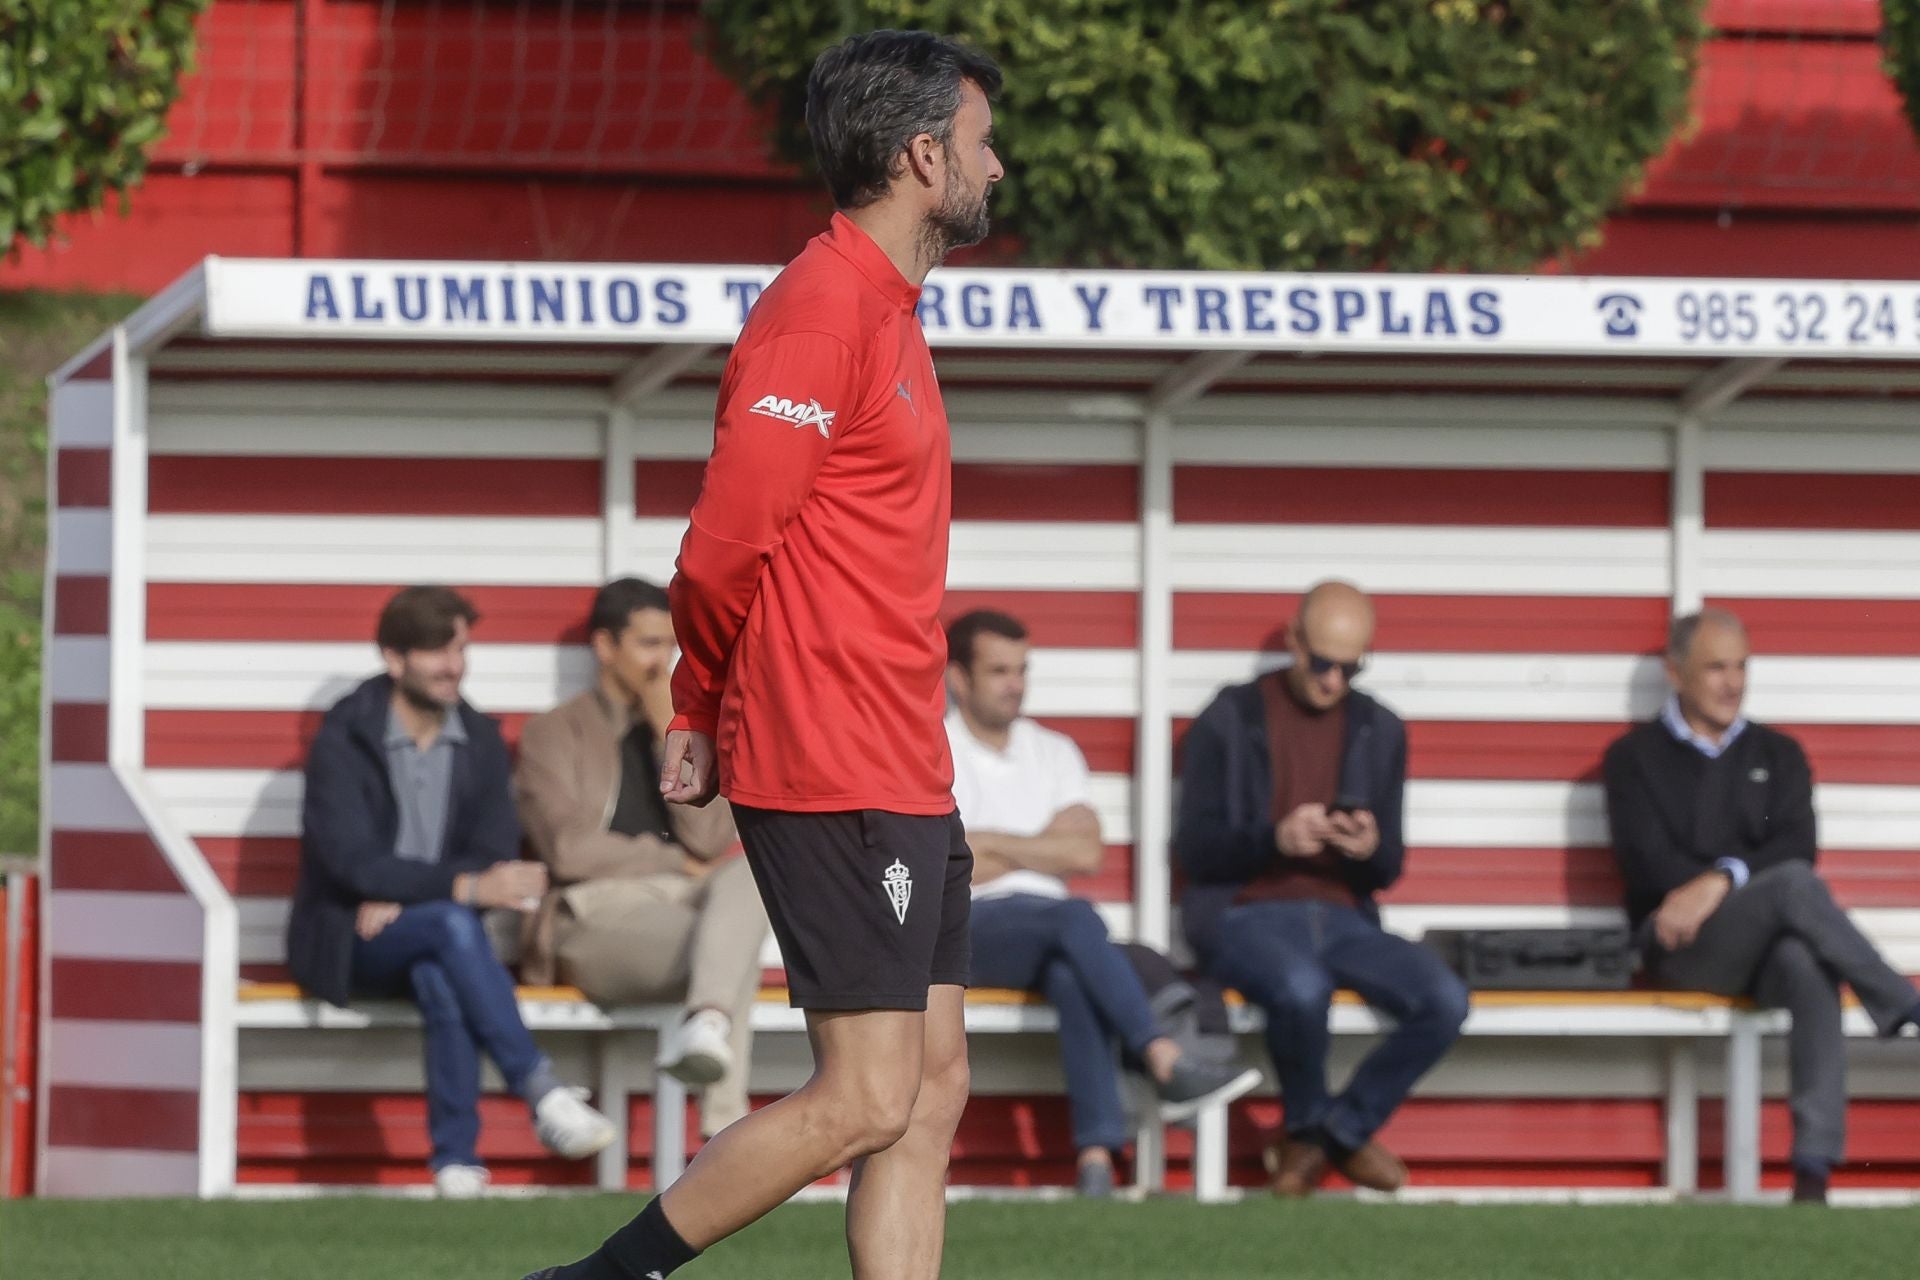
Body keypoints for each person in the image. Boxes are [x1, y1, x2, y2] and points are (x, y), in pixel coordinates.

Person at [524, 30, 1003, 1280]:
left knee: (934, 1086)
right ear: (919, 155)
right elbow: (723, 545)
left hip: (906, 759)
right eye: (979, 141)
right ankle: (600, 1277)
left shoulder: (889, 306)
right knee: (864, 1094)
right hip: (831, 755)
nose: (995, 165)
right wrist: (697, 699)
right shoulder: (820, 310)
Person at [286, 585, 615, 1198]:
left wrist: (412, 893)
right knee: (451, 925)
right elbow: (349, 860)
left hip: (424, 934)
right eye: (438, 651)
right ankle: (539, 1089)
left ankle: (457, 1165)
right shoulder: (344, 738)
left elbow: (492, 848)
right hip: (348, 941)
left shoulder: (481, 740)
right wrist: (455, 888)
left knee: (442, 965)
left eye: (461, 648)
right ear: (394, 658)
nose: (454, 666)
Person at [1604, 607, 1920, 1204]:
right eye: (1716, 667)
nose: (1733, 682)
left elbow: (1796, 840)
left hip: (1762, 946)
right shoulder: (1633, 758)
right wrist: (1725, 880)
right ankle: (1903, 1003)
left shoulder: (1778, 754)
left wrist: (1721, 879)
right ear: (1676, 673)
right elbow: (1647, 866)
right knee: (1793, 885)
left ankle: (1813, 1173)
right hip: (1679, 946)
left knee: (1807, 962)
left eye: (1742, 667)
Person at [944, 609, 1260, 1196]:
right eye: (998, 671)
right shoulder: (934, 750)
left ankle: (1094, 1159)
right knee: (1076, 917)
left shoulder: (1054, 751)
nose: (1015, 683)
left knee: (1071, 970)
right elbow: (949, 865)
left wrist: (989, 840)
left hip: (1048, 933)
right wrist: (1042, 844)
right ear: (958, 678)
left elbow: (1086, 853)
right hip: (965, 927)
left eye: (1022, 669)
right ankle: (1163, 1058)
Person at [1175, 580, 1469, 1199]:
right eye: (1324, 663)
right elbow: (1195, 849)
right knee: (1301, 988)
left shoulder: (1379, 727)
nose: (1335, 680)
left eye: (1351, 667)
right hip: (1243, 912)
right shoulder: (1229, 715)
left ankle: (1326, 1136)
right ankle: (1319, 1132)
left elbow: (1389, 866)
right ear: (1293, 641)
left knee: (1445, 997)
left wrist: (1366, 847)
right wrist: (1274, 839)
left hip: (1345, 917)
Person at [515, 577, 771, 1137]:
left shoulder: (679, 728)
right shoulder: (553, 733)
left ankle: (707, 1023)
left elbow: (709, 840)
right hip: (593, 914)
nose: (665, 662)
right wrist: (672, 862)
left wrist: (669, 731)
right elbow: (568, 849)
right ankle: (724, 1126)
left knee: (754, 871)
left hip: (684, 904)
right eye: (649, 645)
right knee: (731, 952)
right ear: (606, 647)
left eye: (671, 647)